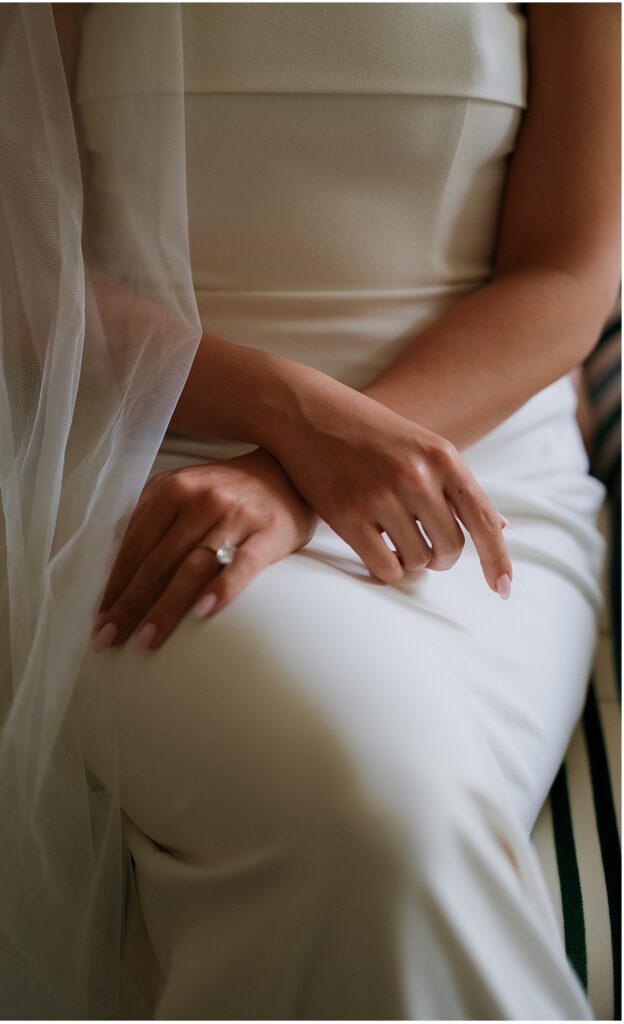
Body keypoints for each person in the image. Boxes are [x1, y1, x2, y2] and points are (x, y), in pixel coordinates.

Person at [71, 1, 621, 1019]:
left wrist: (294, 475)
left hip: (480, 476)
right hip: (158, 464)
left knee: (389, 832)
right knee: (382, 819)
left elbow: (569, 272)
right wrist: (291, 419)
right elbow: (5, 274)